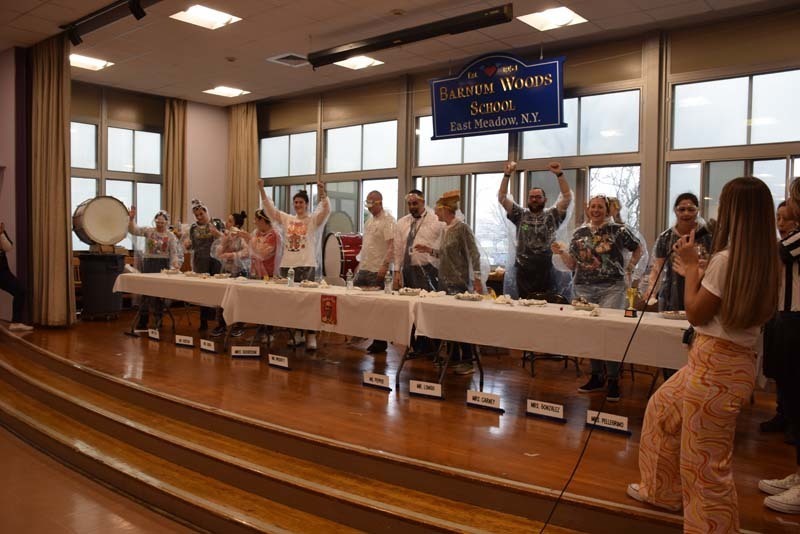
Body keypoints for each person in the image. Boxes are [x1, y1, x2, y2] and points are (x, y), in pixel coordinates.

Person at [628, 177, 779, 532]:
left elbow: (696, 313)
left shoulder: (727, 261)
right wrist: (695, 268)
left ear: (733, 213)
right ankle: (661, 491)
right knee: (663, 407)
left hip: (715, 365)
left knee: (705, 463)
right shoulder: (764, 258)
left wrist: (693, 267)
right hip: (729, 361)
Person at [552, 194, 643, 401]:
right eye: (592, 206)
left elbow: (638, 248)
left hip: (612, 287)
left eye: (600, 207)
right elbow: (572, 265)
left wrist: (630, 267)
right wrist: (561, 253)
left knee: (609, 331)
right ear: (587, 209)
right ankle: (596, 376)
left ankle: (613, 379)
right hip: (584, 288)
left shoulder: (618, 230)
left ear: (608, 209)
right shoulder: (579, 233)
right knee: (591, 332)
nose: (595, 210)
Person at [759, 180, 800, 514]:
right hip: (786, 318)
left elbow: (770, 255)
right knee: (790, 391)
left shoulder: (795, 240)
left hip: (797, 320)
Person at [414, 190, 482, 374]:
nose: (435, 214)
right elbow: (444, 254)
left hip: (459, 282)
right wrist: (428, 249)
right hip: (444, 281)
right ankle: (454, 358)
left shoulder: (462, 228)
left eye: (437, 210)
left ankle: (468, 360)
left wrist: (477, 278)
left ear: (446, 210)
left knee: (462, 322)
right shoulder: (446, 229)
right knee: (450, 321)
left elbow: (473, 253)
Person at [648, 193, 712, 380]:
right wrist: (650, 290)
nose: (686, 213)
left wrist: (697, 269)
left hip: (701, 292)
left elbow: (716, 264)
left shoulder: (708, 235)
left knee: (697, 341)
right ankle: (671, 382)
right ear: (675, 211)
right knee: (669, 343)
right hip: (670, 296)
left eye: (691, 209)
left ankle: (694, 381)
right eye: (681, 209)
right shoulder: (665, 237)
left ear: (698, 210)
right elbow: (657, 267)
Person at [259, 179, 330, 350]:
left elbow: (326, 211)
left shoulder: (312, 220)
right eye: (295, 202)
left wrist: (323, 193)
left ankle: (310, 335)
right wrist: (261, 190)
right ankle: (297, 333)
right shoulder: (287, 219)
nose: (298, 205)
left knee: (308, 301)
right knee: (292, 301)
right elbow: (270, 211)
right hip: (288, 265)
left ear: (306, 204)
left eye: (301, 202)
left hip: (306, 264)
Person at [498, 160, 572, 300]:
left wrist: (559, 174)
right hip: (524, 271)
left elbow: (567, 197)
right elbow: (502, 198)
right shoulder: (520, 215)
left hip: (547, 270)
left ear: (545, 200)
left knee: (547, 306)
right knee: (525, 306)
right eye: (532, 197)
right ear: (528, 199)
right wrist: (506, 175)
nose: (534, 199)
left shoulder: (552, 215)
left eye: (538, 197)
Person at [393, 188, 444, 354]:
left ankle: (433, 345)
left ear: (423, 202)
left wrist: (431, 251)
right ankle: (417, 344)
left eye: (415, 203)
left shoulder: (436, 220)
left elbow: (443, 245)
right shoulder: (402, 222)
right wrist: (397, 272)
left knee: (428, 308)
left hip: (429, 270)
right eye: (409, 204)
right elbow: (398, 249)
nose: (412, 207)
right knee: (411, 308)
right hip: (408, 269)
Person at [128, 208, 183, 330]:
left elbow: (174, 253)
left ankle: (158, 319)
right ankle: (143, 320)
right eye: (158, 222)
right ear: (155, 222)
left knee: (159, 293)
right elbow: (134, 230)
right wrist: (131, 219)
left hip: (162, 264)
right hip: (148, 263)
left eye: (162, 223)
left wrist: (175, 264)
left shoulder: (170, 236)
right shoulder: (149, 231)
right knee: (145, 292)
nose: (160, 225)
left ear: (166, 223)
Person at [354, 190, 395, 354]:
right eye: (367, 203)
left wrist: (385, 265)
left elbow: (392, 245)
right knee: (358, 301)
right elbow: (366, 245)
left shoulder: (389, 221)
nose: (369, 207)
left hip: (378, 269)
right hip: (365, 267)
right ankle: (361, 333)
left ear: (379, 202)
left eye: (372, 203)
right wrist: (359, 264)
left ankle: (380, 341)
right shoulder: (369, 221)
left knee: (378, 307)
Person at [183, 199, 225, 332]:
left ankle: (221, 322)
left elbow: (226, 241)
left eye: (201, 214)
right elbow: (192, 245)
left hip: (216, 262)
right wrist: (188, 245)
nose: (199, 217)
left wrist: (217, 234)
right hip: (200, 261)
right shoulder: (194, 228)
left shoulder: (217, 223)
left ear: (207, 212)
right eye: (197, 215)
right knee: (203, 291)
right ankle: (204, 321)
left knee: (217, 291)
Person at [210, 210, 250, 337]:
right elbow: (217, 253)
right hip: (226, 271)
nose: (226, 223)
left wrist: (232, 255)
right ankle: (221, 325)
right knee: (221, 299)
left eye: (230, 221)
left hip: (240, 272)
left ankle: (239, 326)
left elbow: (247, 253)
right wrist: (225, 240)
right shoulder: (226, 236)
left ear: (237, 225)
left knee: (239, 300)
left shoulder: (242, 237)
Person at [0, 222, 32, 332]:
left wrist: (1, 234)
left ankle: (16, 323)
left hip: (2, 272)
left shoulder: (1, 231)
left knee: (20, 290)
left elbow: (8, 247)